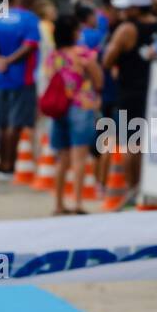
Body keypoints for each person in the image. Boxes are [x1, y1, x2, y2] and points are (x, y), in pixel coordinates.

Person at [102, 0, 157, 199]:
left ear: (137, 8)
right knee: (152, 144)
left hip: (131, 94)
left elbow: (107, 61)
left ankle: (134, 190)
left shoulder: (127, 29)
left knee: (131, 145)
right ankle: (151, 188)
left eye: (126, 7)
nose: (122, 11)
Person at [44, 14, 103, 215]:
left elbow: (49, 78)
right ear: (73, 32)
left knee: (62, 158)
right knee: (79, 158)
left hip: (59, 108)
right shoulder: (82, 54)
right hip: (81, 105)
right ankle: (77, 202)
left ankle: (58, 203)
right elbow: (98, 79)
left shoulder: (53, 57)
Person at [0, 0, 40, 179]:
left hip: (1, 77)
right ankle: (9, 165)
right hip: (21, 78)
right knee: (15, 124)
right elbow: (30, 46)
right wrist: (9, 60)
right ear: (32, 2)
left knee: (2, 123)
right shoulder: (31, 19)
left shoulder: (1, 17)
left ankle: (0, 164)